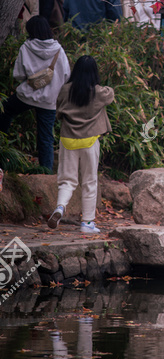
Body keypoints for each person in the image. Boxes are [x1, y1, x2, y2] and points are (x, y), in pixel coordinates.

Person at [48, 55, 114, 234]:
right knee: (89, 181)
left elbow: (59, 109)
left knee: (67, 180)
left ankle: (60, 207)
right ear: (94, 73)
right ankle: (87, 223)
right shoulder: (99, 92)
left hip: (68, 140)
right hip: (90, 141)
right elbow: (111, 93)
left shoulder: (65, 90)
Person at [0, 16, 70, 171]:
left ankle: (1, 144)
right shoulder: (58, 49)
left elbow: (18, 74)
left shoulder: (26, 47)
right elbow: (66, 75)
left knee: (6, 110)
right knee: (46, 137)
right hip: (49, 101)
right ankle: (45, 172)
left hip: (27, 96)